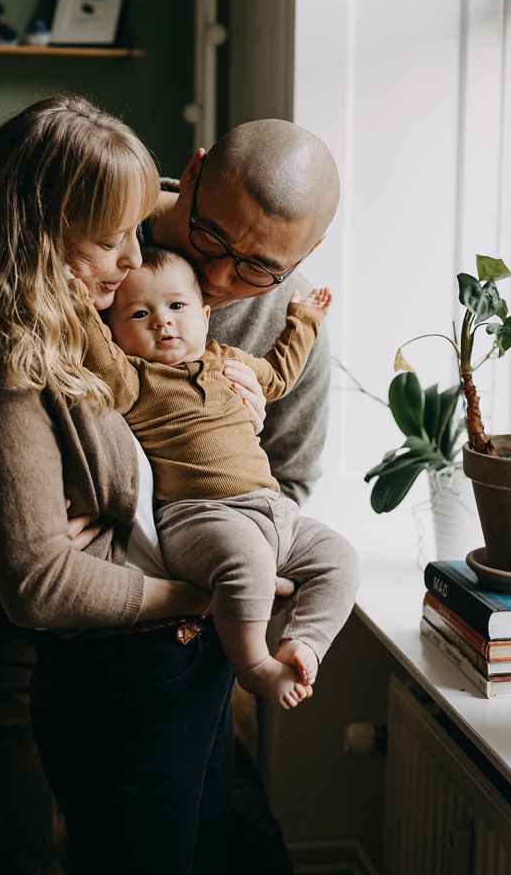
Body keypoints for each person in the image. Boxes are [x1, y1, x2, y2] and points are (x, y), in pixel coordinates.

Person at [0, 110, 342, 875]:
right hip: (21, 570)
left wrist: (217, 522)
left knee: (210, 824)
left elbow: (290, 479)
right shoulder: (91, 222)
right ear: (195, 174)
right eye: (211, 239)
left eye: (258, 268)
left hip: (189, 595)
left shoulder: (284, 312)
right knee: (14, 818)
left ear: (303, 258)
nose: (218, 279)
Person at [77, 246, 357, 708]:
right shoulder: (134, 379)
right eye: (140, 313)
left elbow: (281, 374)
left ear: (206, 317)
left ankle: (304, 643)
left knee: (340, 557)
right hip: (197, 517)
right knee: (248, 563)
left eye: (177, 307)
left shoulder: (227, 360)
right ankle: (255, 668)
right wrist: (75, 302)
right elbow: (98, 354)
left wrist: (304, 320)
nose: (163, 322)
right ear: (116, 335)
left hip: (272, 509)